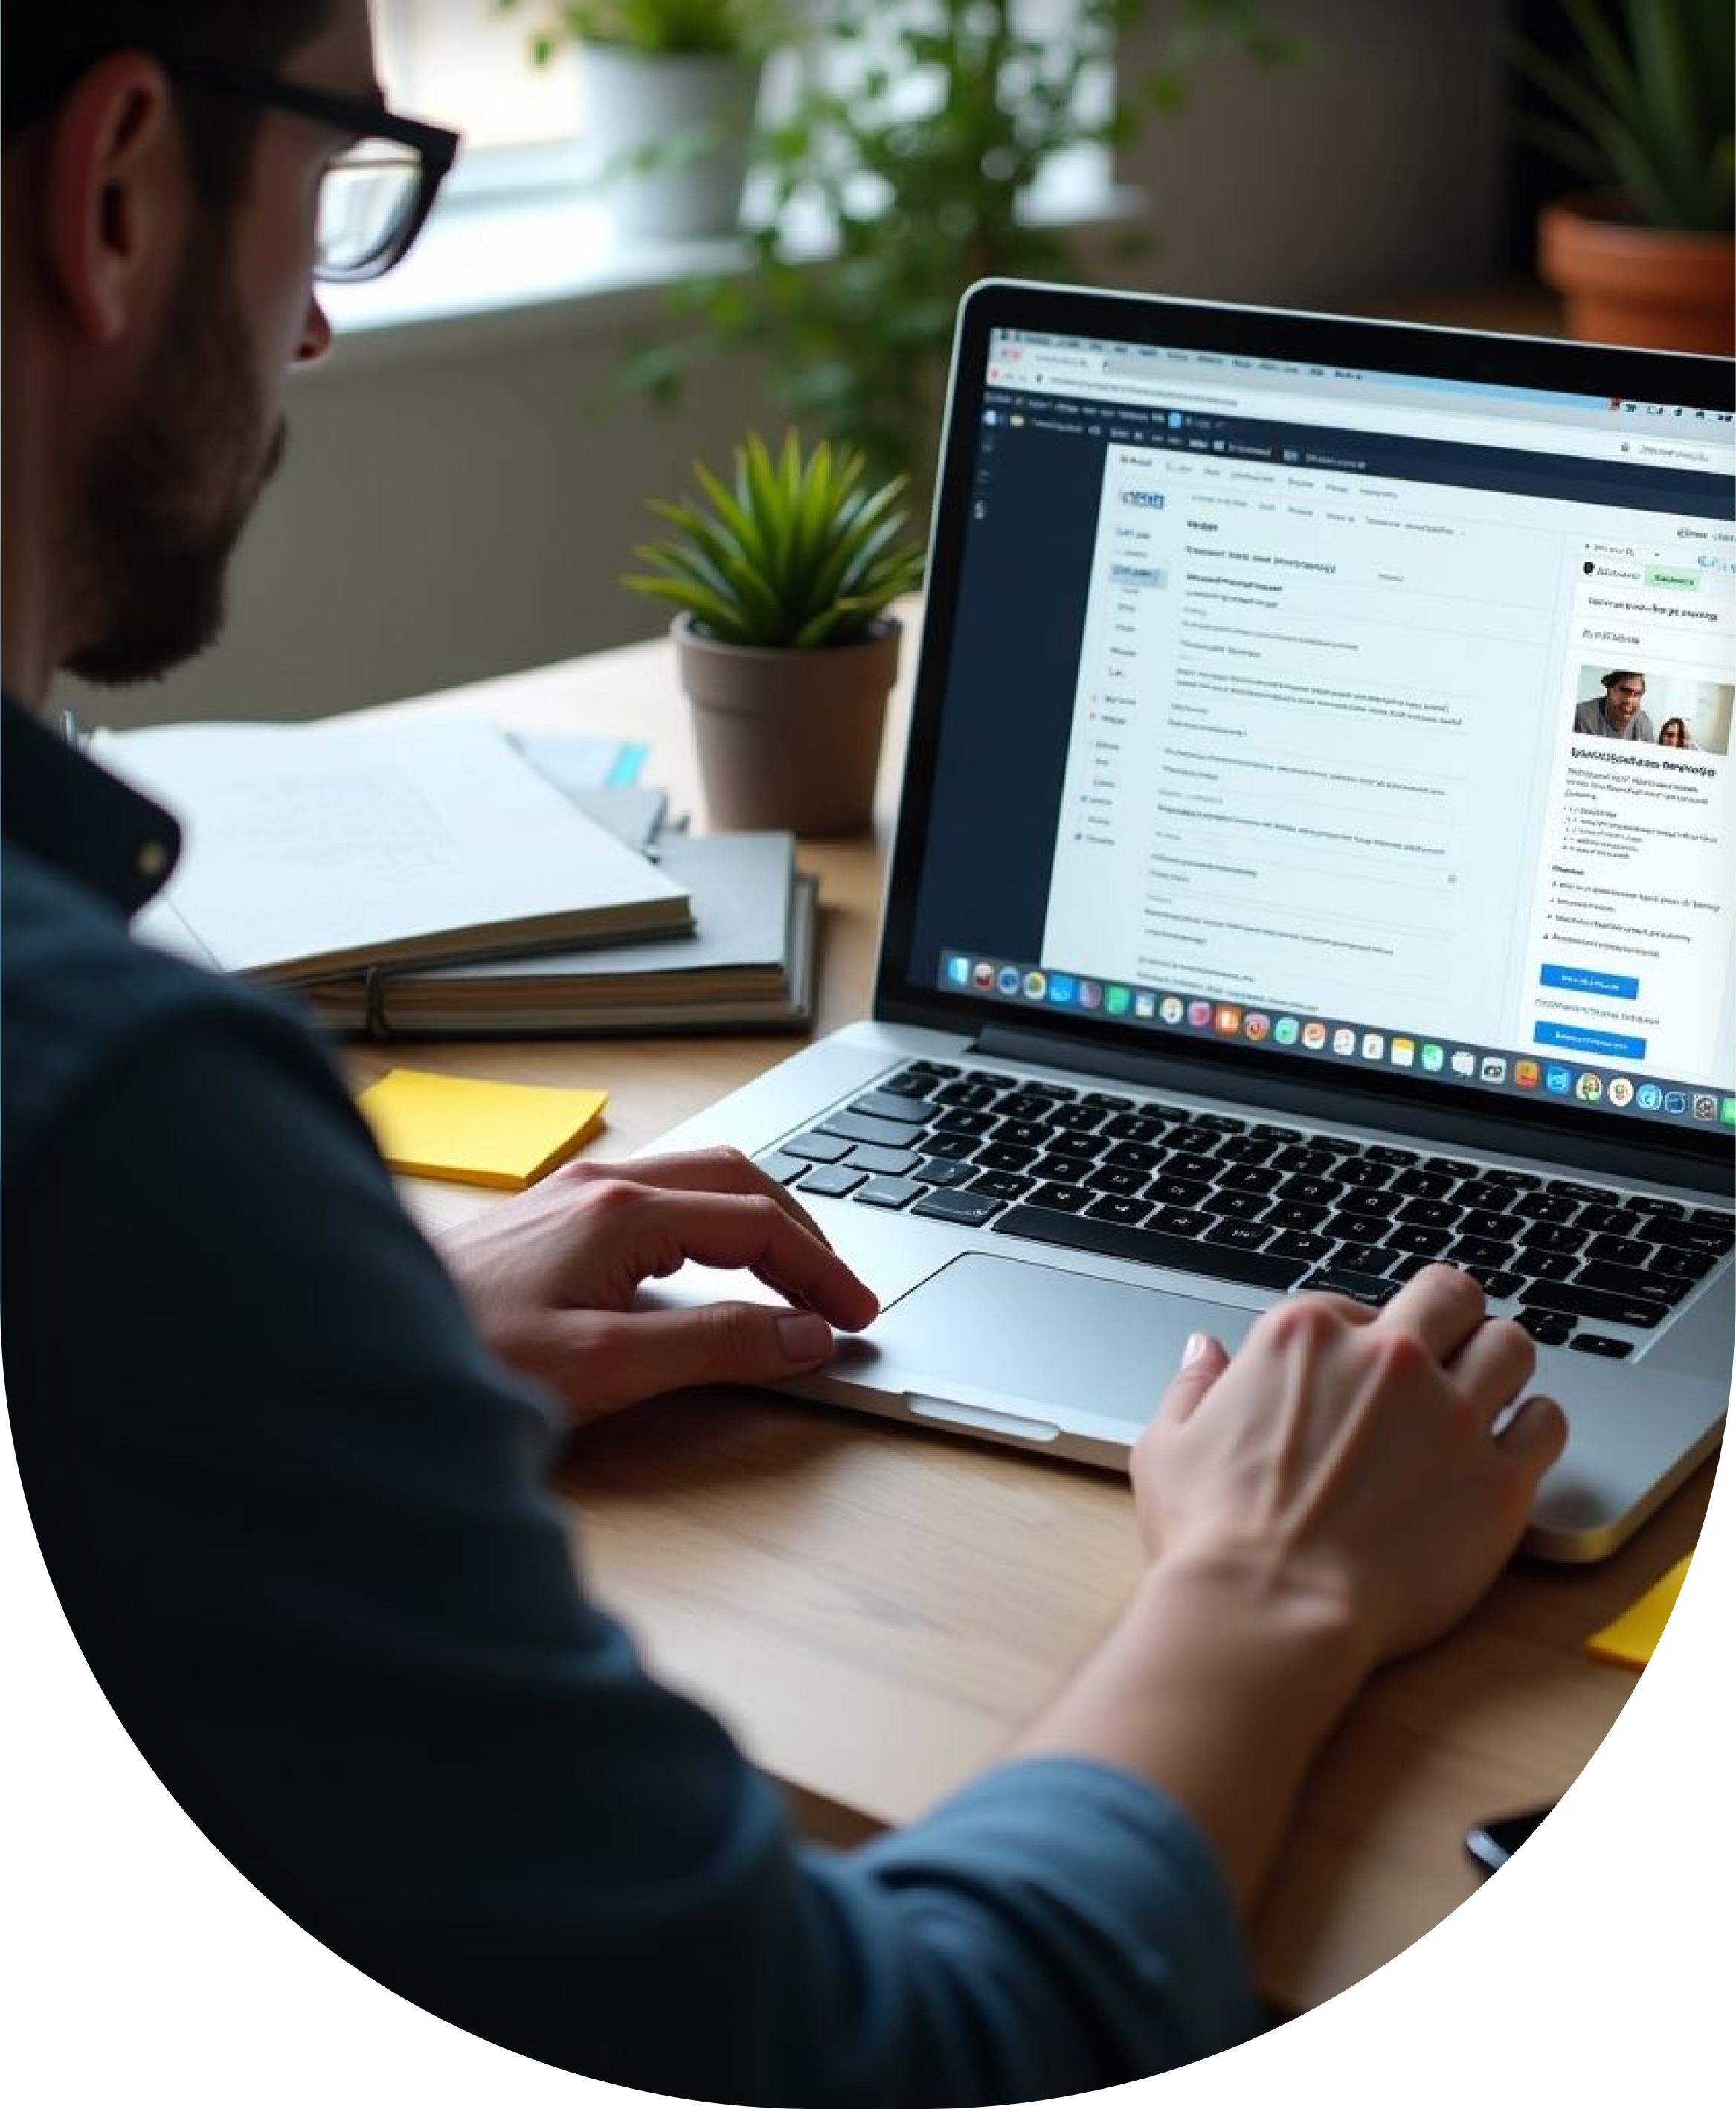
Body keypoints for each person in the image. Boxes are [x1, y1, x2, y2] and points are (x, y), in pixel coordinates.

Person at [3, 5, 1568, 2096]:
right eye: (329, 190)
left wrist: (343, 1365)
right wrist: (1268, 1587)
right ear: (113, 195)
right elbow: (893, 2053)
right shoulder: (118, 1129)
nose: (314, 332)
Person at [1573, 669, 1654, 739]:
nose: (1629, 700)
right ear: (1610, 690)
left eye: (1637, 694)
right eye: (1624, 691)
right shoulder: (1581, 715)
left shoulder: (1645, 723)